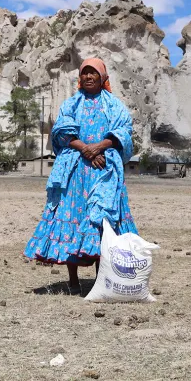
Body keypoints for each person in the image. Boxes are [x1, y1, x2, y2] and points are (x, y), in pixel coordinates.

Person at [24, 58, 138, 294]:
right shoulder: (71, 104)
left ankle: (101, 278)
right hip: (75, 171)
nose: (88, 77)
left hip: (104, 169)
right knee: (73, 217)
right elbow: (62, 132)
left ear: (102, 77)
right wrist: (86, 149)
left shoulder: (114, 105)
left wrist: (99, 148)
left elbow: (123, 132)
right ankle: (73, 281)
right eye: (84, 73)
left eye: (93, 73)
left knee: (102, 220)